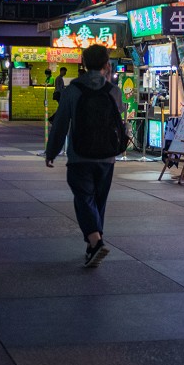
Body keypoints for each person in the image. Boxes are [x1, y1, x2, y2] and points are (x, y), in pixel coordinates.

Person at [45, 44, 124, 268]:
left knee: (83, 198)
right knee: (99, 200)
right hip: (107, 158)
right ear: (106, 64)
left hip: (80, 156)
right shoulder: (114, 91)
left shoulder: (73, 90)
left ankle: (95, 241)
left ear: (83, 63)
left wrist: (52, 151)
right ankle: (93, 245)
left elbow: (60, 124)